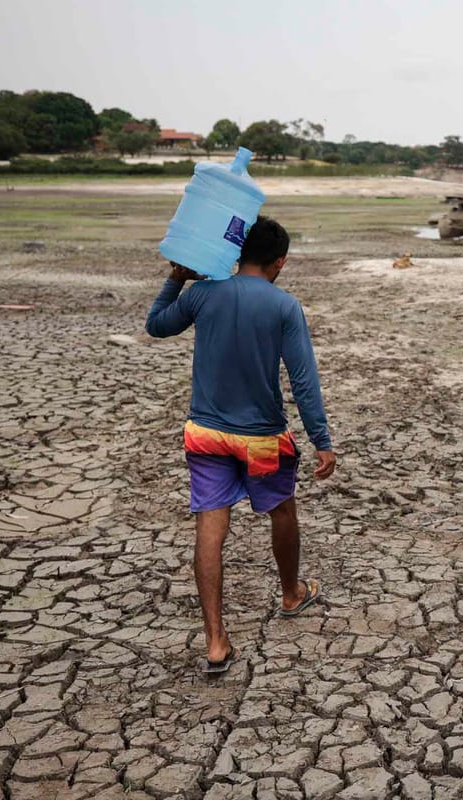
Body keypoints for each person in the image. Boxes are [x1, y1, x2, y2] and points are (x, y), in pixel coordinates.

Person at [145, 217, 335, 674]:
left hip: (206, 436)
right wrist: (321, 441)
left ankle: (215, 642)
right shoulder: (284, 305)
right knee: (282, 512)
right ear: (280, 262)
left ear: (237, 252)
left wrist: (177, 278)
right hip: (261, 440)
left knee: (210, 529)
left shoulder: (202, 293)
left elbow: (156, 326)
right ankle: (291, 594)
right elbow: (303, 381)